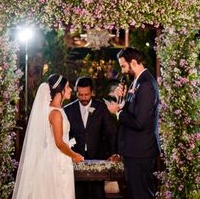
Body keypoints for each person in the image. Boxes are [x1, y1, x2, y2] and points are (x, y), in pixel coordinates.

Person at [12, 74, 85, 199]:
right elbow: (59, 142)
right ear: (60, 91)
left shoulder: (57, 110)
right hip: (57, 162)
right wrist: (74, 155)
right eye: (67, 87)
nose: (70, 90)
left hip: (60, 158)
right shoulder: (55, 113)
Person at [105, 47, 160, 199]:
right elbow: (133, 112)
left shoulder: (146, 84)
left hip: (141, 152)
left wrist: (117, 112)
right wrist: (121, 101)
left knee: (142, 194)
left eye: (123, 66)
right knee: (135, 193)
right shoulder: (137, 82)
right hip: (134, 151)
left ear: (134, 62)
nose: (122, 71)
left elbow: (139, 122)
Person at [64, 76, 117, 199]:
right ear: (76, 92)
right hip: (76, 158)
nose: (83, 98)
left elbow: (110, 132)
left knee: (98, 193)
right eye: (80, 94)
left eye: (86, 94)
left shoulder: (101, 107)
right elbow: (66, 134)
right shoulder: (68, 110)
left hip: (98, 156)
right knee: (79, 193)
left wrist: (114, 153)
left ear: (92, 92)